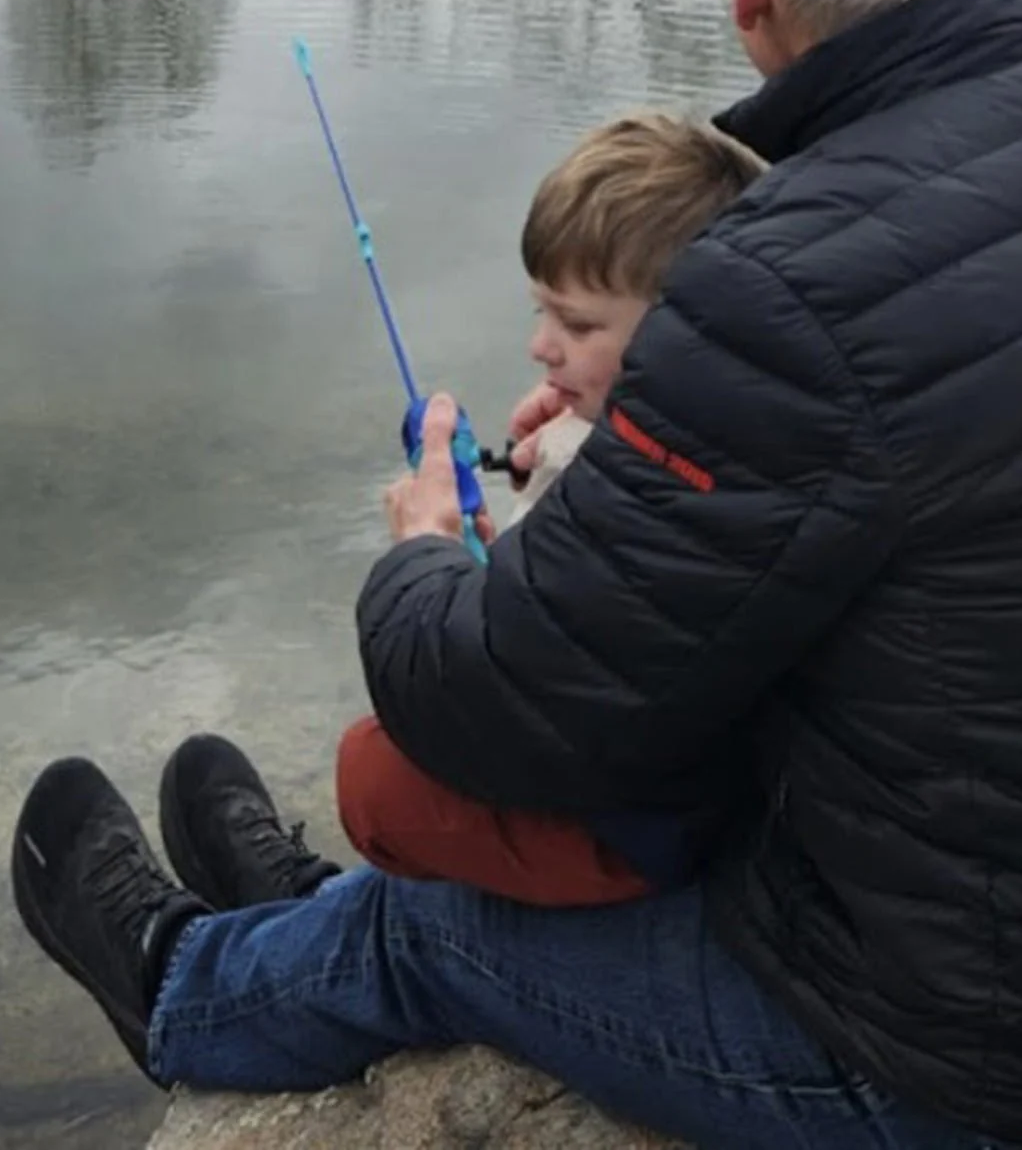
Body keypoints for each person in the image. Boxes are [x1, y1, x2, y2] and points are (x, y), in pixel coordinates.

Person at [11, 0, 1022, 1150]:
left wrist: (420, 553)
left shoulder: (795, 280)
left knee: (436, 933)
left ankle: (182, 987)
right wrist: (631, 456)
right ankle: (302, 913)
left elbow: (500, 703)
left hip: (980, 1078)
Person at [328, 111, 768, 908]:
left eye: (576, 323)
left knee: (370, 772)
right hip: (699, 786)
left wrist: (424, 554)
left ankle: (363, 923)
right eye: (542, 311)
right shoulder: (751, 433)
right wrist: (592, 436)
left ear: (685, 328)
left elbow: (500, 703)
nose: (541, 345)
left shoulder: (674, 508)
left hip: (657, 837)